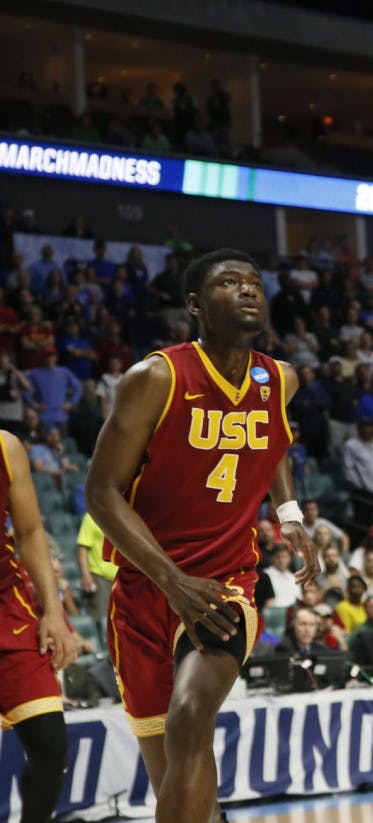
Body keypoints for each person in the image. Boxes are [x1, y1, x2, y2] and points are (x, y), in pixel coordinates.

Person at [85, 248, 319, 823]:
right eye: (229, 283)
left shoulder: (279, 378)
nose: (248, 290)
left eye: (255, 283)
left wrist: (288, 511)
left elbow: (276, 440)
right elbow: (100, 492)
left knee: (193, 716)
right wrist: (171, 582)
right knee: (179, 785)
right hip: (145, 592)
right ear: (195, 305)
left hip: (225, 585)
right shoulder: (155, 377)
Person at [0, 429, 79, 823]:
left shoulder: (5, 446)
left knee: (50, 746)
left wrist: (53, 612)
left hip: (8, 611)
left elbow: (30, 532)